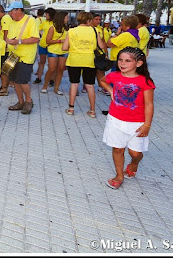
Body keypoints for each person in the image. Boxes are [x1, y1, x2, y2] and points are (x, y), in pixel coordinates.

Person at [98, 47, 155, 190]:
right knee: (118, 149)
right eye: (120, 60)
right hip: (115, 120)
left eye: (127, 61)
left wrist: (147, 125)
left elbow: (149, 104)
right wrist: (111, 90)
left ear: (139, 63)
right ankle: (119, 175)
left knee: (135, 153)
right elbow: (102, 80)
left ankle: (134, 163)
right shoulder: (115, 75)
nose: (122, 63)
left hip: (137, 123)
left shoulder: (145, 81)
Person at [62, 12, 106, 118]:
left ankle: (71, 108)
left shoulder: (72, 31)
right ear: (88, 20)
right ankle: (92, 110)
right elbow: (102, 46)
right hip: (89, 60)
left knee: (74, 84)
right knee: (90, 85)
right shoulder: (95, 31)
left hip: (74, 59)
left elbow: (64, 47)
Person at [4, 1, 40, 115]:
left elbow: (35, 39)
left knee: (23, 81)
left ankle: (28, 101)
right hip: (13, 55)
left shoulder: (31, 20)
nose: (10, 14)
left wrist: (18, 41)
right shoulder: (12, 22)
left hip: (26, 56)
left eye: (11, 11)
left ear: (19, 10)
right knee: (14, 80)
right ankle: (20, 102)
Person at [40, 11, 68, 95]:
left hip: (64, 51)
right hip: (53, 51)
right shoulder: (52, 27)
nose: (68, 19)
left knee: (60, 69)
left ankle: (56, 88)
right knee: (51, 69)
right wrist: (60, 41)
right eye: (66, 17)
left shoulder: (66, 28)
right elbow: (48, 40)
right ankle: (45, 86)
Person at [34, 7, 56, 85]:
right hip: (43, 44)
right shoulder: (45, 22)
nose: (45, 15)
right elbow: (39, 28)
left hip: (52, 45)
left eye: (46, 14)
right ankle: (39, 78)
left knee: (51, 64)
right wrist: (42, 34)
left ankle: (52, 79)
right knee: (42, 62)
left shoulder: (55, 23)